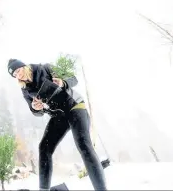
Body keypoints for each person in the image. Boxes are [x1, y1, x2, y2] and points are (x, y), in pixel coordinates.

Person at [7, 59, 107, 191]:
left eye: (18, 71)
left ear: (24, 67)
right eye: (15, 75)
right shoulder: (26, 90)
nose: (18, 76)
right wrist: (36, 108)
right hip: (59, 115)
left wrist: (63, 82)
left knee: (83, 145)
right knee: (44, 148)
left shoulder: (47, 68)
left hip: (74, 106)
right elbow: (36, 112)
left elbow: (73, 78)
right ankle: (44, 189)